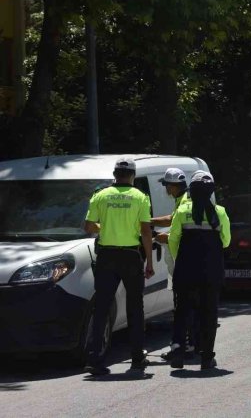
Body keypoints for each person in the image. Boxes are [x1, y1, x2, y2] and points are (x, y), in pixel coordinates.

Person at [83, 156, 154, 375]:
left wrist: (105, 225)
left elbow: (88, 227)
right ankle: (137, 359)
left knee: (102, 306)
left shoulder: (100, 196)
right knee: (135, 307)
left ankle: (95, 360)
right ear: (132, 175)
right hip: (131, 257)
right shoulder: (140, 197)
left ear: (115, 175)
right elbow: (145, 230)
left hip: (106, 256)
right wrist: (149, 261)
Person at [168, 171, 231, 370]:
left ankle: (178, 351)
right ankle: (206, 357)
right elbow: (226, 241)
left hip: (186, 269)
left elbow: (173, 238)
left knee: (182, 311)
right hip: (211, 271)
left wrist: (181, 259)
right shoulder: (219, 212)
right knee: (209, 313)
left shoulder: (182, 211)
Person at [150, 168, 197, 361]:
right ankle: (190, 344)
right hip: (186, 262)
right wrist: (149, 221)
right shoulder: (182, 199)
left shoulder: (185, 201)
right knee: (187, 305)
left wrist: (158, 236)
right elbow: (172, 218)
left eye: (166, 186)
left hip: (182, 263)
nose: (165, 189)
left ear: (172, 186)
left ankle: (185, 346)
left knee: (183, 307)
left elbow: (179, 235)